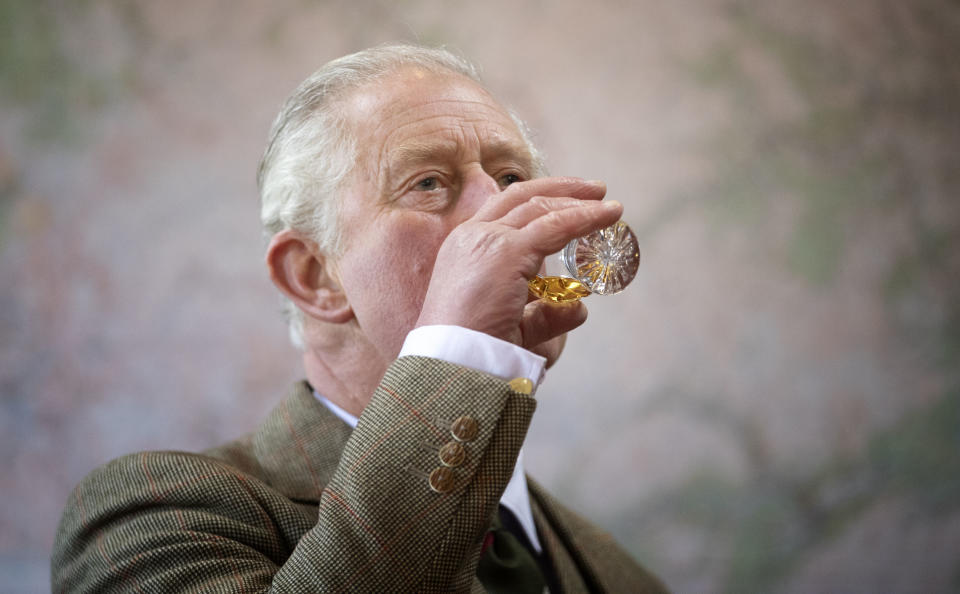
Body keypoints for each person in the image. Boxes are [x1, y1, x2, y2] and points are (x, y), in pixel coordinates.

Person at [52, 44, 667, 593]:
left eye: (511, 177)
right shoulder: (147, 518)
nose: (502, 209)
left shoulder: (621, 573)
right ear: (314, 277)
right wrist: (459, 352)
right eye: (428, 183)